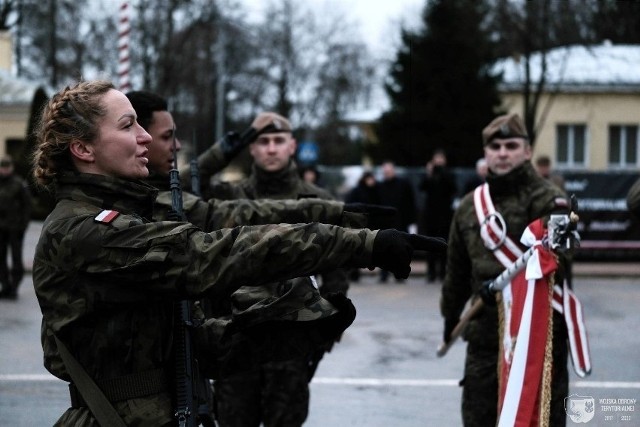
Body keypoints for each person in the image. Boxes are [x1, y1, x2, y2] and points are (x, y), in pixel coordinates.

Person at [31, 80, 447, 426]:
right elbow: (209, 252)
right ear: (83, 149)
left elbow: (180, 344)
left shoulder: (131, 213)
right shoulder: (84, 230)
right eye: (127, 126)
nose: (143, 137)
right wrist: (361, 244)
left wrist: (275, 330)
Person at [208, 111, 356, 427]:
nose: (271, 149)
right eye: (263, 141)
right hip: (236, 332)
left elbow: (337, 272)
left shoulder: (317, 200)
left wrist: (325, 332)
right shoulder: (229, 199)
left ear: (292, 146)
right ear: (251, 148)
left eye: (278, 141)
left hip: (293, 336)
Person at [440, 113, 570, 427]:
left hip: (538, 336)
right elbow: (456, 269)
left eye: (511, 145)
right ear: (485, 153)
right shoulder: (471, 206)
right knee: (479, 417)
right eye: (495, 146)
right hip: (484, 336)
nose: (502, 152)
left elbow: (560, 263)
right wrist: (450, 314)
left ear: (527, 151)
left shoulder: (551, 202)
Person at [419, 149, 456, 283]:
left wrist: (443, 173)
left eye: (441, 158)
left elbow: (452, 188)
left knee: (444, 245)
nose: (439, 161)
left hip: (445, 216)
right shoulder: (430, 174)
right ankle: (431, 272)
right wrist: (429, 173)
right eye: (437, 158)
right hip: (431, 216)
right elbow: (422, 187)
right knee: (430, 245)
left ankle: (442, 273)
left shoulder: (449, 174)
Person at [377, 161, 417, 283]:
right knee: (383, 250)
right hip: (385, 223)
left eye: (388, 171)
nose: (387, 173)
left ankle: (399, 274)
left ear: (393, 171)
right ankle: (384, 275)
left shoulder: (403, 185)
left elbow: (410, 204)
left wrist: (412, 221)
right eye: (385, 171)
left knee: (399, 250)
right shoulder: (380, 186)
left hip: (401, 222)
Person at [0, 156, 32, 300]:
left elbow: (27, 206)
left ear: (12, 167)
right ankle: (5, 285)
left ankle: (14, 287)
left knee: (16, 257)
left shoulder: (19, 183)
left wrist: (23, 226)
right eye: (3, 167)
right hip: (1, 227)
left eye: (7, 167)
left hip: (15, 227)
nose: (5, 170)